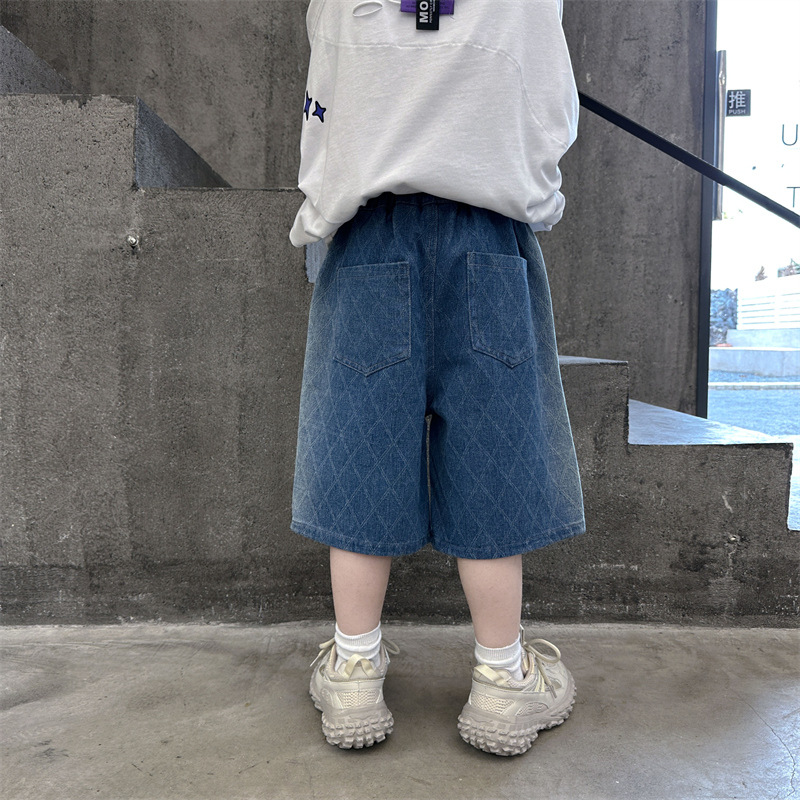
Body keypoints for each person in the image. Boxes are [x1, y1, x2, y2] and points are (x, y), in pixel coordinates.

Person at [288, 0, 586, 756]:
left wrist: (319, 217)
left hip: (369, 234)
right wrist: (533, 199)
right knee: (490, 457)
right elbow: (550, 114)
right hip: (487, 234)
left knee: (361, 455)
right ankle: (503, 681)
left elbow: (323, 115)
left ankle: (353, 671)